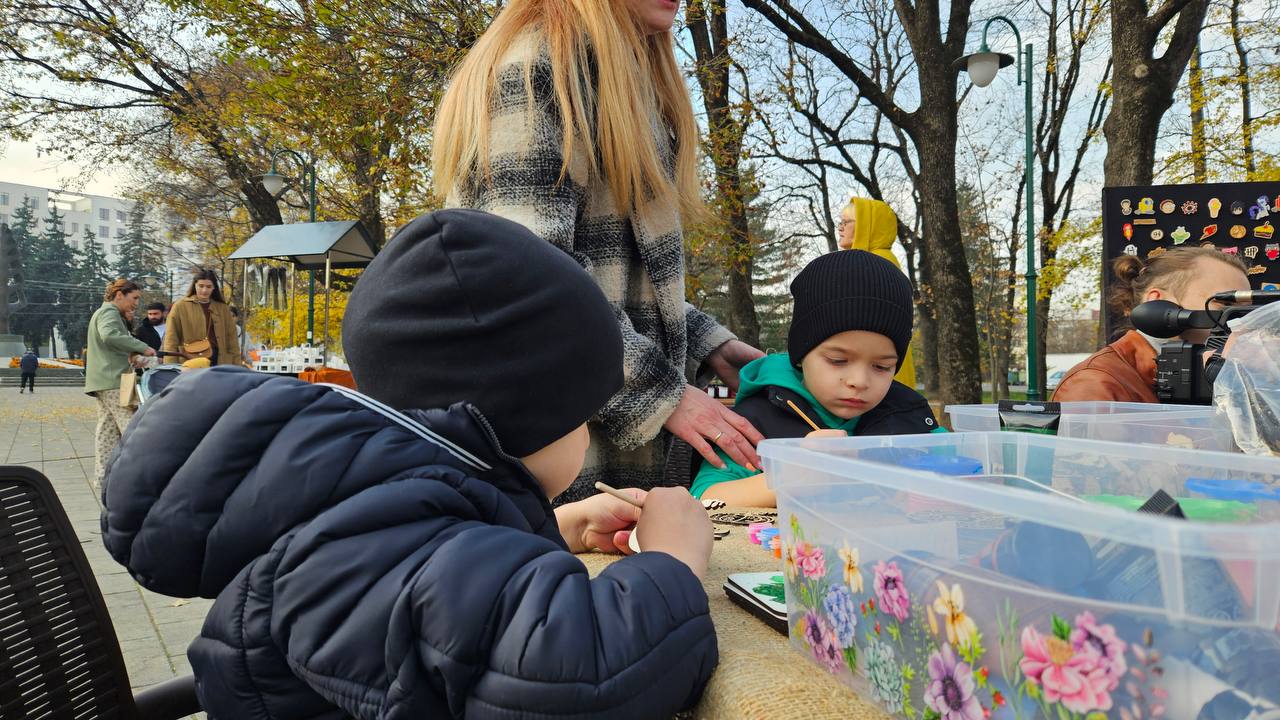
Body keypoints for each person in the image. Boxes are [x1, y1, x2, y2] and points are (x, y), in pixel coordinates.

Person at [100, 210, 718, 719]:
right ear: (525, 423)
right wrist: (674, 563)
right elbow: (581, 684)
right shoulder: (381, 536)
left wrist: (561, 528)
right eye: (583, 416)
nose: (586, 433)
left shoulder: (378, 502)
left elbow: (447, 603)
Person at [432, 0, 764, 502]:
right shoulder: (536, 72)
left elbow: (611, 278)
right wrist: (664, 396)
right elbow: (524, 288)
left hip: (602, 467)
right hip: (551, 472)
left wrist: (707, 342)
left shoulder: (617, 84)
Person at [692, 250, 945, 507]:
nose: (859, 381)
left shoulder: (906, 414)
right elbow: (704, 497)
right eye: (838, 361)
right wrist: (794, 477)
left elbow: (964, 470)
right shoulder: (757, 421)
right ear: (801, 354)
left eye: (881, 366)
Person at [1054, 247, 1250, 402]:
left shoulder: (1218, 373)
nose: (1240, 321)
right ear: (1157, 302)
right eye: (1224, 305)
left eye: (1247, 311)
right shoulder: (1098, 382)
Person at [837, 196, 918, 390]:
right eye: (840, 222)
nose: (840, 228)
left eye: (846, 222)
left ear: (867, 226)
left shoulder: (877, 263)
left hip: (873, 370)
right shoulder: (871, 260)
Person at [85, 279, 155, 489]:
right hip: (115, 380)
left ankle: (104, 479)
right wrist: (143, 348)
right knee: (133, 427)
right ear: (119, 295)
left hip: (104, 380)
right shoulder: (109, 313)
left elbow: (112, 340)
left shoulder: (104, 312)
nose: (136, 303)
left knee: (106, 431)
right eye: (134, 298)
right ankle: (141, 479)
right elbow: (110, 335)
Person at [163, 269, 242, 367]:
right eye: (201, 286)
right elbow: (171, 338)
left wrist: (237, 365)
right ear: (194, 285)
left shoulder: (222, 308)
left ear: (214, 288)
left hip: (220, 360)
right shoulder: (180, 306)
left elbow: (232, 340)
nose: (204, 290)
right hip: (190, 360)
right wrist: (170, 366)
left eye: (209, 286)